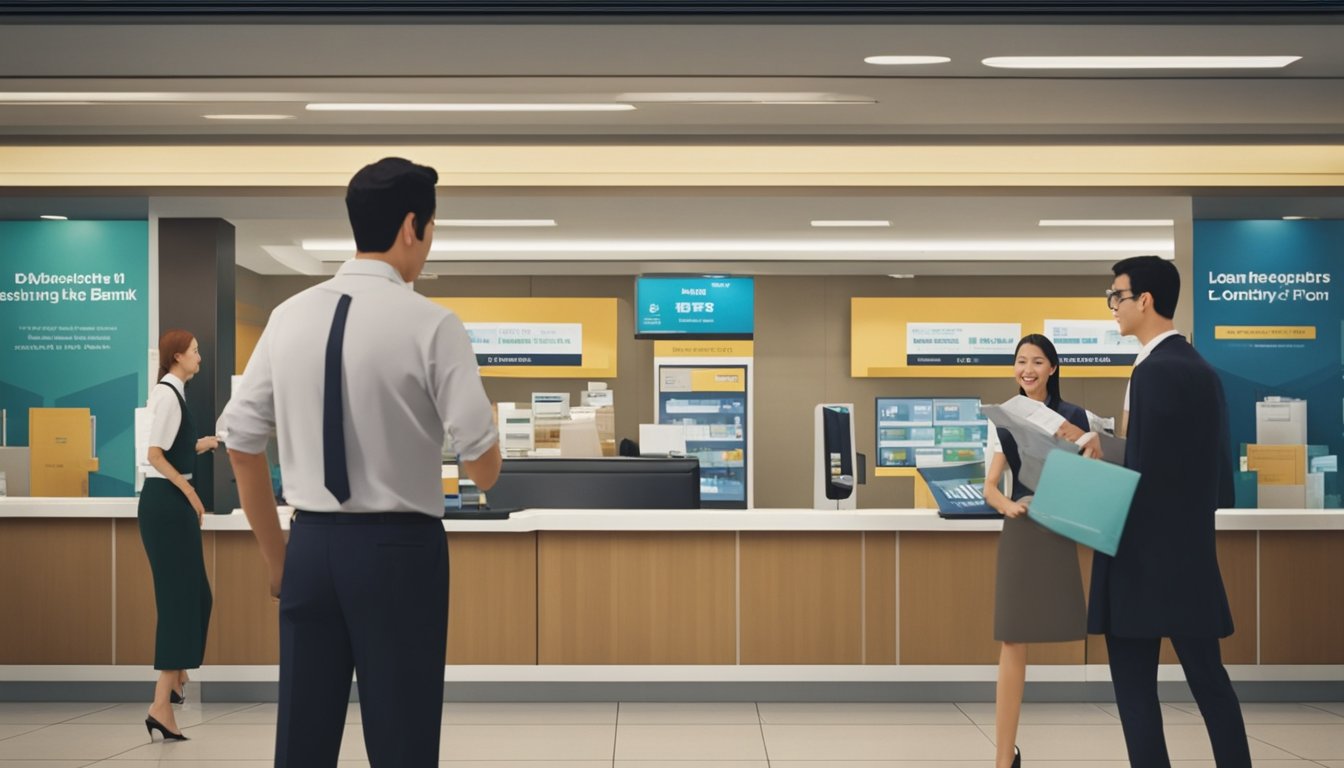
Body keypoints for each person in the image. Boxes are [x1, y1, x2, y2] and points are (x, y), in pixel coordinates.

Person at [219, 157, 502, 768]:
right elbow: (484, 467)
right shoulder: (433, 324)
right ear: (411, 227)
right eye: (432, 227)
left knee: (302, 740)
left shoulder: (287, 315)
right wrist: (489, 421)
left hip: (311, 546)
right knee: (403, 741)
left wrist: (278, 559)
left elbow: (240, 442)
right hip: (401, 554)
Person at [1084, 255, 1251, 767]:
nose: (1113, 307)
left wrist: (1096, 456)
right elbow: (1215, 475)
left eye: (1117, 296)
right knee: (1209, 682)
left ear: (1145, 300)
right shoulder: (1200, 368)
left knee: (1135, 689)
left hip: (1140, 561)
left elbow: (1144, 473)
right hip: (1190, 558)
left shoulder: (1153, 370)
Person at [982, 334, 1091, 768]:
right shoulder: (1004, 417)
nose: (1028, 369)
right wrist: (1009, 505)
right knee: (1012, 636)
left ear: (1053, 368)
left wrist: (1082, 442)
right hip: (1023, 530)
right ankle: (1003, 757)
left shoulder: (1074, 416)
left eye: (1038, 361)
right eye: (1021, 361)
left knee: (1074, 625)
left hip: (1061, 527)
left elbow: (1093, 472)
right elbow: (991, 486)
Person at [139, 329, 218, 742]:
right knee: (179, 602)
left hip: (171, 504)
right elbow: (155, 454)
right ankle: (161, 703)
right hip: (168, 505)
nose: (199, 357)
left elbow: (176, 448)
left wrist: (210, 442)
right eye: (195, 352)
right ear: (177, 357)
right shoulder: (169, 395)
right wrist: (190, 493)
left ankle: (176, 678)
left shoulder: (175, 393)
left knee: (196, 597)